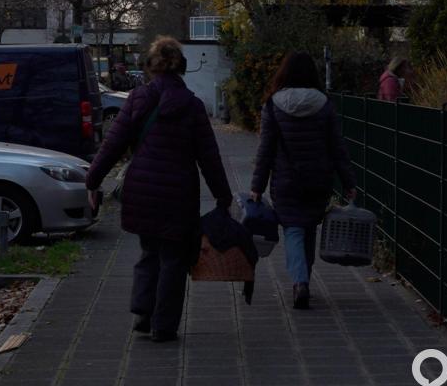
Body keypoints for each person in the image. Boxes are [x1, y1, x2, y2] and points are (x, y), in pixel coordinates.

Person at [85, 36, 232, 342]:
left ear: (152, 67)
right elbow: (209, 156)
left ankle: (143, 312)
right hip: (179, 193)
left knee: (148, 251)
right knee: (174, 259)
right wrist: (223, 195)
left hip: (142, 190)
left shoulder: (138, 99)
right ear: (182, 68)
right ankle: (164, 326)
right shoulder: (192, 106)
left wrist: (92, 181)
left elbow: (113, 144)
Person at [250, 52, 357, 310]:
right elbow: (337, 147)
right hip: (319, 178)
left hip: (286, 181)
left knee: (294, 230)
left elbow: (266, 149)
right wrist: (348, 182)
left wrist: (257, 186)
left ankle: (300, 282)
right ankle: (304, 279)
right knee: (308, 227)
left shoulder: (273, 105)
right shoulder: (325, 104)